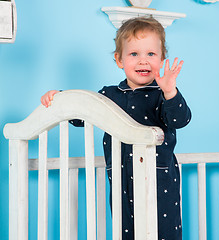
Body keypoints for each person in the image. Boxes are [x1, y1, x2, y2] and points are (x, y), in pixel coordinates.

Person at [41, 17, 191, 240]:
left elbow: (180, 120)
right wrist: (60, 98)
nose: (143, 61)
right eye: (134, 54)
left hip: (159, 180)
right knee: (126, 231)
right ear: (119, 60)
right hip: (121, 179)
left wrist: (170, 92)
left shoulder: (162, 95)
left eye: (151, 54)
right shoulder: (110, 95)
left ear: (162, 59)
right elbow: (82, 113)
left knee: (162, 230)